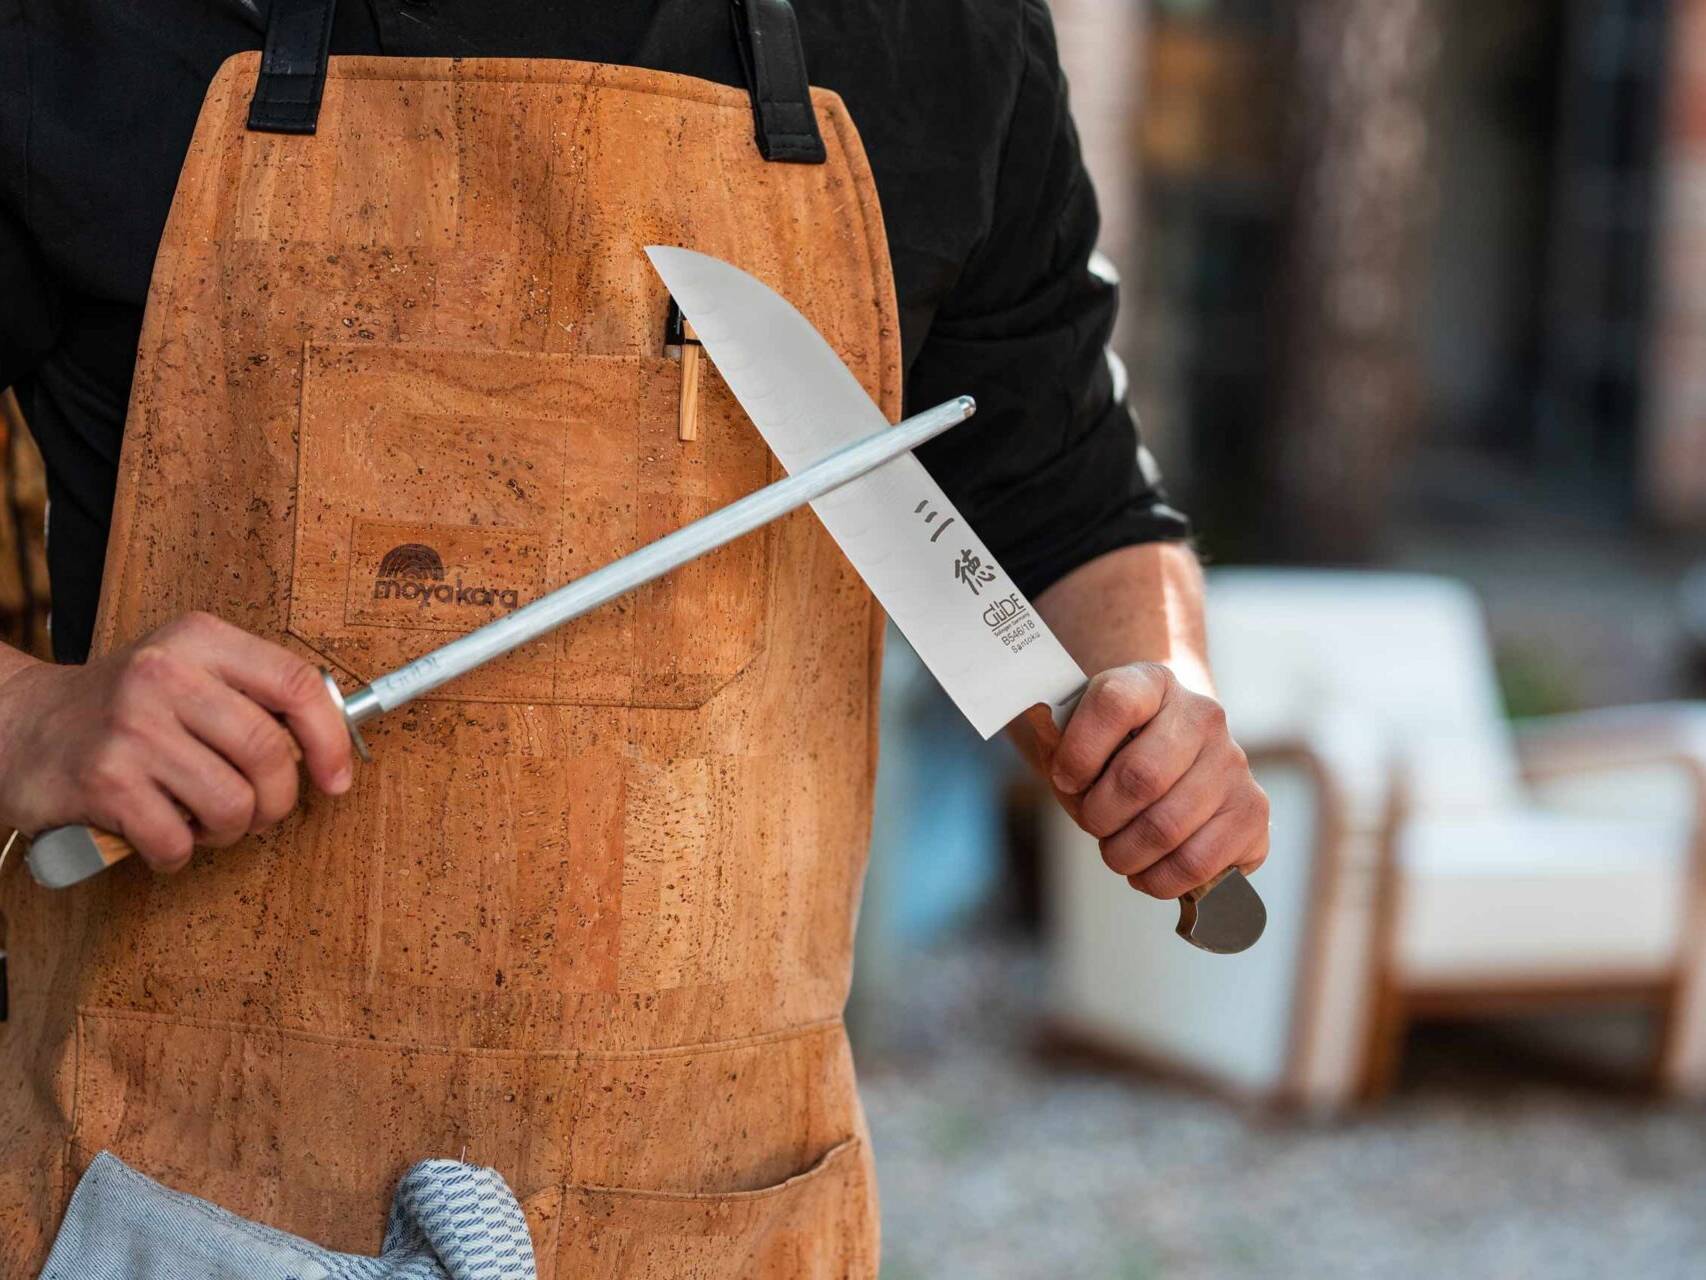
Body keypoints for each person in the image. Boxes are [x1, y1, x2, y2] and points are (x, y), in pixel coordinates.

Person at [0, 1, 1268, 1273]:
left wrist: (1160, 693)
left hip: (721, 1213)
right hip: (178, 1196)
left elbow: (1077, 501)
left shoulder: (945, 33)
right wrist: (31, 718)